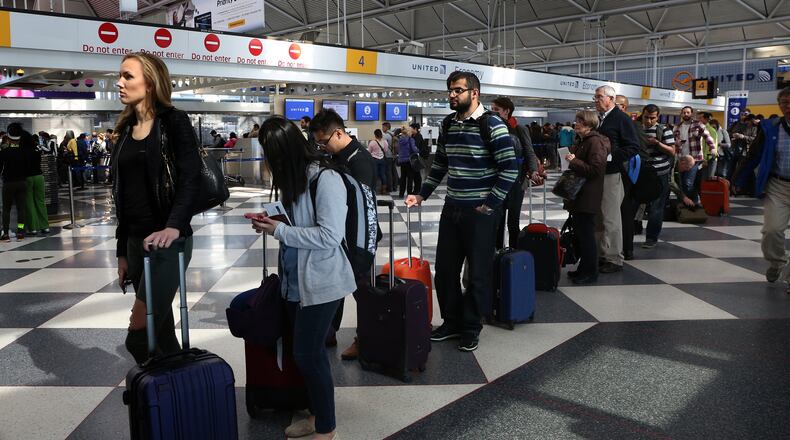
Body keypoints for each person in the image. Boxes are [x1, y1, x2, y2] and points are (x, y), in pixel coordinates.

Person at [251, 115, 352, 440]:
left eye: (273, 156)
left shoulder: (326, 179)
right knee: (303, 353)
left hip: (323, 283)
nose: (270, 164)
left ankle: (326, 427)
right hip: (295, 283)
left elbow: (330, 236)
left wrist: (280, 229)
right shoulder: (295, 180)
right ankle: (312, 412)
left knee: (309, 354)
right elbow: (296, 222)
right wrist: (273, 220)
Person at [406, 71, 517, 353]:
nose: (452, 95)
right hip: (452, 209)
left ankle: (470, 327)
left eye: (457, 90)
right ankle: (452, 322)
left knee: (478, 273)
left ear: (474, 93)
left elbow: (510, 169)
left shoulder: (493, 125)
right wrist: (422, 194)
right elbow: (441, 165)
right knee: (444, 271)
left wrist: (491, 203)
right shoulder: (447, 124)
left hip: (480, 212)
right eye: (450, 90)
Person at [112, 52, 201, 365]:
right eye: (120, 76)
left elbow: (191, 179)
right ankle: (180, 400)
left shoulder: (174, 121)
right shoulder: (124, 129)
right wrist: (122, 251)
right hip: (136, 243)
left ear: (149, 83)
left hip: (168, 242)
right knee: (161, 330)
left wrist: (174, 225)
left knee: (140, 336)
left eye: (127, 76)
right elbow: (122, 195)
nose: (119, 82)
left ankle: (169, 393)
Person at [309, 109, 376, 360]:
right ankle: (329, 332)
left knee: (363, 293)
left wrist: (361, 248)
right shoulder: (336, 157)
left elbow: (363, 207)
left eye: (324, 142)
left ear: (338, 133)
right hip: (337, 234)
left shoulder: (360, 161)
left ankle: (366, 339)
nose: (322, 148)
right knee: (334, 288)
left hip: (357, 239)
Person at [733, 88, 790, 290]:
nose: (788, 106)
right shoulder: (771, 128)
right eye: (784, 102)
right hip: (779, 185)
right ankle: (777, 261)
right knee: (772, 231)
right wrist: (738, 179)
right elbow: (754, 155)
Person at [594, 85, 640, 273]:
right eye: (595, 97)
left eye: (598, 97)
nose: (595, 100)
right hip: (597, 174)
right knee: (599, 216)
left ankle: (614, 258)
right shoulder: (601, 119)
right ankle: (601, 254)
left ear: (610, 98)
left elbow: (633, 146)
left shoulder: (621, 119)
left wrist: (611, 157)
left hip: (612, 174)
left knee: (611, 218)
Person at [564, 111, 610, 285]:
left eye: (580, 121)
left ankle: (590, 272)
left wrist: (574, 161)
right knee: (582, 234)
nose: (576, 124)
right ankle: (583, 269)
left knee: (587, 235)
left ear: (590, 124)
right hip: (580, 194)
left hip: (588, 195)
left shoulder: (595, 142)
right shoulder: (583, 141)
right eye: (576, 121)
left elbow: (595, 170)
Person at [490, 96, 542, 248]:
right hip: (496, 181)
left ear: (507, 111)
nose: (493, 113)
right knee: (497, 222)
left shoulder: (519, 129)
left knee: (513, 222)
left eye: (496, 110)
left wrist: (533, 171)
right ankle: (498, 254)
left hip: (517, 182)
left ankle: (514, 255)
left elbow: (529, 152)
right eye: (491, 109)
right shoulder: (489, 129)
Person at [638, 104, 676, 249]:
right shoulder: (638, 128)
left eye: (652, 118)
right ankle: (634, 229)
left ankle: (652, 237)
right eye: (646, 117)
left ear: (657, 117)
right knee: (636, 203)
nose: (649, 121)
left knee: (656, 206)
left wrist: (657, 144)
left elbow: (672, 151)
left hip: (659, 172)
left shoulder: (664, 130)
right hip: (641, 171)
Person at [673, 106, 716, 204]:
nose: (686, 114)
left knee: (688, 183)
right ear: (681, 114)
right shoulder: (677, 126)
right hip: (681, 159)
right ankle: (685, 205)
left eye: (688, 112)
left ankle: (693, 203)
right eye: (684, 112)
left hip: (695, 158)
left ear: (691, 114)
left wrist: (712, 148)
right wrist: (676, 143)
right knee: (682, 183)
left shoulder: (698, 124)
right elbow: (672, 141)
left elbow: (708, 137)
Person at [0, 123, 29, 241]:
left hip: (8, 183)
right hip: (22, 182)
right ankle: (21, 231)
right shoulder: (24, 152)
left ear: (9, 136)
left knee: (6, 209)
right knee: (21, 209)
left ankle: (5, 233)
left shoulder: (4, 152)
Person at [21, 129, 50, 235]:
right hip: (39, 176)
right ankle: (45, 226)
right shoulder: (36, 150)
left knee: (29, 203)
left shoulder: (21, 151)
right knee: (41, 202)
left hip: (27, 178)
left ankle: (33, 228)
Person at [368, 129, 390, 194]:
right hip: (382, 159)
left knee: (375, 174)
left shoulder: (372, 142)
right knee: (383, 174)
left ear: (375, 135)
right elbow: (385, 150)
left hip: (374, 159)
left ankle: (374, 189)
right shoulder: (385, 142)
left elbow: (369, 151)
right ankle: (383, 190)